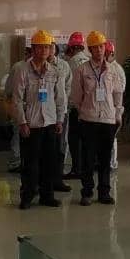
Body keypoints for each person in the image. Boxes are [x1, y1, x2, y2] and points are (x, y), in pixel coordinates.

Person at [11, 31, 66, 210]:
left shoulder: (55, 71)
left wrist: (60, 120)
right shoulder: (22, 70)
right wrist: (22, 122)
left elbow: (60, 98)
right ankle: (27, 196)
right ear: (33, 49)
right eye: (40, 47)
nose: (44, 51)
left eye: (47, 47)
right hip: (31, 124)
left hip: (50, 123)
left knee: (49, 163)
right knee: (30, 164)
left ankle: (47, 196)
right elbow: (16, 99)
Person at [70, 31, 124, 206]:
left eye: (101, 46)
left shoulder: (113, 70)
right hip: (89, 120)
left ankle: (104, 192)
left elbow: (117, 94)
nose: (99, 50)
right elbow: (76, 96)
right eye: (95, 47)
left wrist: (117, 114)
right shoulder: (82, 70)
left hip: (108, 120)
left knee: (105, 159)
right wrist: (85, 111)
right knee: (88, 158)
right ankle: (86, 192)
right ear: (90, 49)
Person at [45, 43, 73, 195]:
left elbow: (68, 87)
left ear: (55, 50)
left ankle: (58, 179)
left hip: (60, 112)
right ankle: (42, 182)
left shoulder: (64, 66)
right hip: (42, 113)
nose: (47, 50)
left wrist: (61, 104)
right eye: (44, 47)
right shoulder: (33, 65)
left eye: (50, 47)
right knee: (43, 148)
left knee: (60, 145)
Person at [62, 32, 91, 179]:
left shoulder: (70, 63)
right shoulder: (89, 61)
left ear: (72, 48)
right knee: (86, 140)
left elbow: (67, 86)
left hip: (75, 107)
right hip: (89, 108)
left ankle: (76, 169)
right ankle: (85, 168)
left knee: (74, 139)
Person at [5, 45, 32, 172]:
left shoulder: (39, 67)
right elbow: (10, 89)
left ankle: (22, 162)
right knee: (18, 134)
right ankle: (16, 162)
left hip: (31, 107)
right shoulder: (18, 67)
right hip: (19, 105)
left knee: (22, 135)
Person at [106, 40, 125, 171]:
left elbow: (119, 91)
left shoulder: (116, 69)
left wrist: (117, 112)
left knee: (111, 138)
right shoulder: (106, 67)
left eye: (105, 53)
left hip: (114, 107)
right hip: (107, 108)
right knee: (107, 138)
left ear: (110, 53)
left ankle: (112, 163)